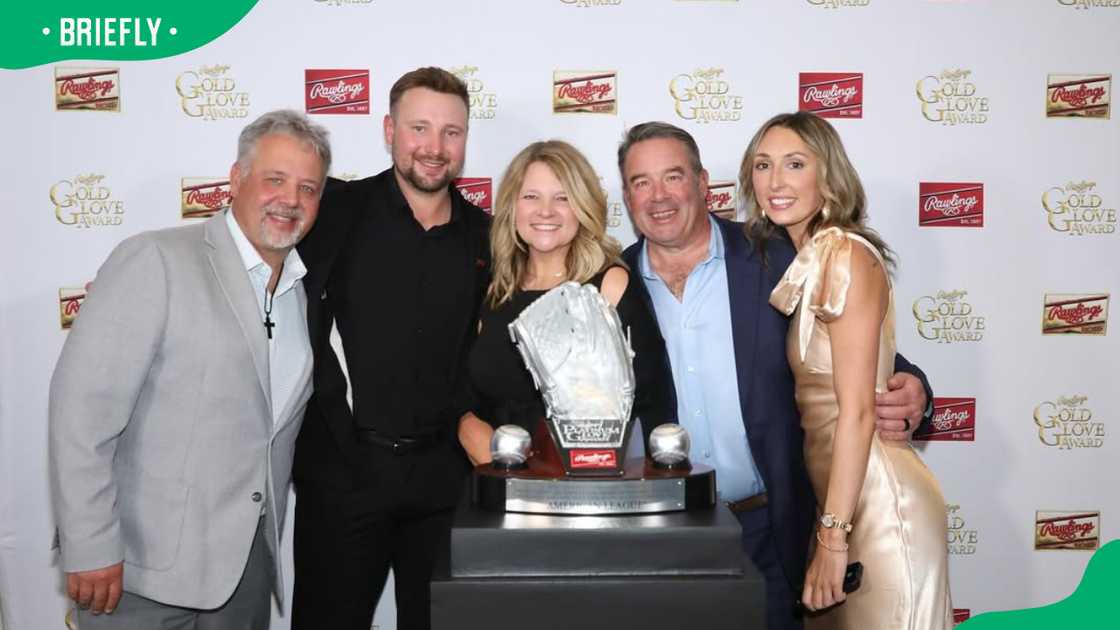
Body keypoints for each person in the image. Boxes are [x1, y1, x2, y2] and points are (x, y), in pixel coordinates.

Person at [617, 121, 935, 630]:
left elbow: (852, 352)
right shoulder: (610, 282)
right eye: (640, 182)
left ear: (703, 184)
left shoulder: (780, 255)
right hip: (663, 536)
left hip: (772, 529)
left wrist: (916, 389)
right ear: (627, 195)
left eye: (673, 177)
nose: (658, 196)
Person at [48, 109, 330, 629]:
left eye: (308, 188)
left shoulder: (297, 291)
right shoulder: (157, 260)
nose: (291, 199)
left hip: (245, 574)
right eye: (275, 179)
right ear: (237, 178)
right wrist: (89, 544)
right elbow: (81, 414)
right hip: (138, 573)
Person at [291, 67, 490, 630]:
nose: (434, 147)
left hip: (446, 481)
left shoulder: (487, 236)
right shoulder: (333, 213)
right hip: (345, 474)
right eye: (419, 128)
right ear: (389, 131)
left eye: (451, 132)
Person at [748, 112, 952, 628]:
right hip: (838, 503)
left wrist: (833, 538)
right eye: (763, 165)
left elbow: (859, 412)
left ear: (829, 174)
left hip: (879, 506)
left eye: (795, 164)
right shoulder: (805, 259)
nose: (776, 181)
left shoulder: (843, 255)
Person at [456, 140, 673, 465]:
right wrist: (467, 425)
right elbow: (469, 393)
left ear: (582, 206)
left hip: (585, 496)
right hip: (500, 493)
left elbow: (651, 407)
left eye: (563, 198)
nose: (546, 211)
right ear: (512, 204)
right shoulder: (495, 289)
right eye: (531, 196)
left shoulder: (608, 287)